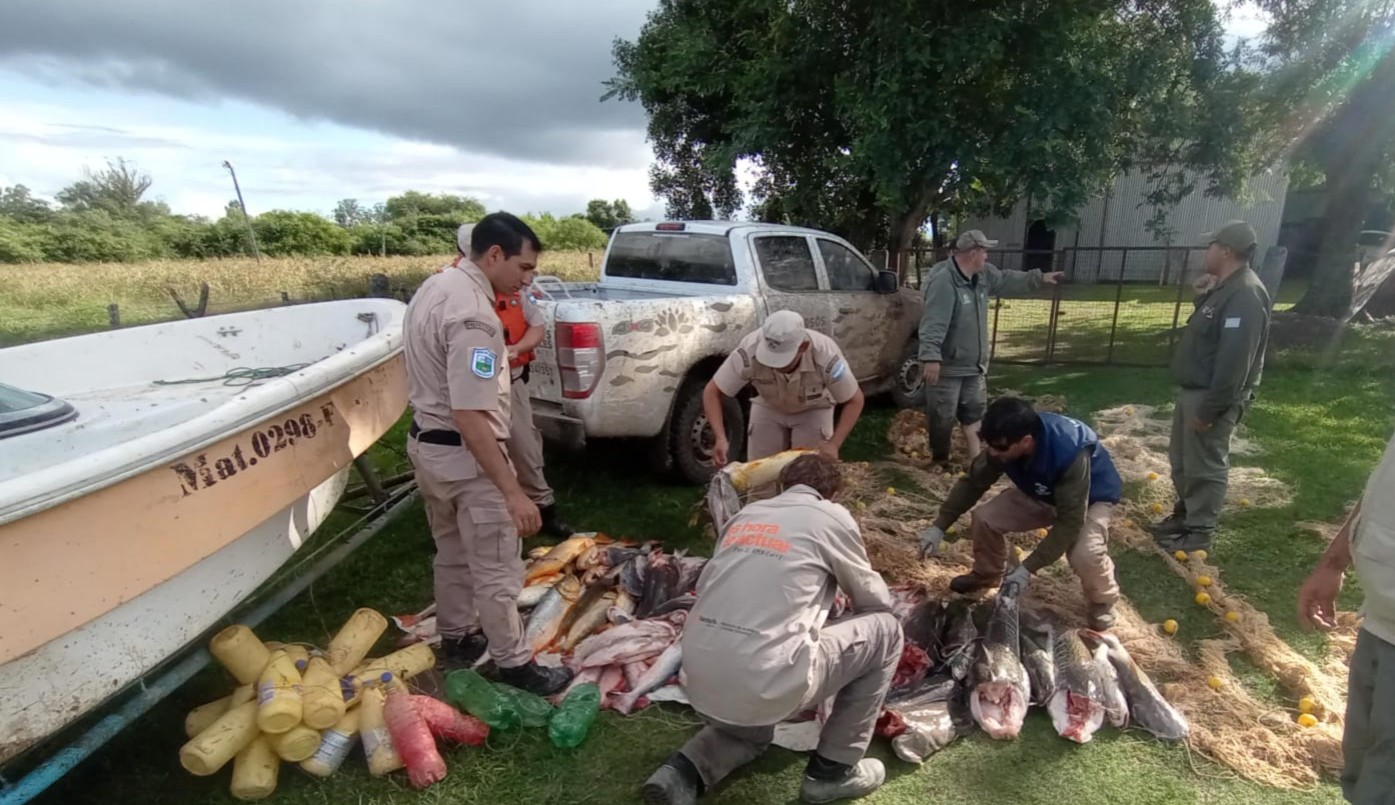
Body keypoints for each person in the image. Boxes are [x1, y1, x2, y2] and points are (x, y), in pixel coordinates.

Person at [642, 453, 901, 805]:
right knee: (887, 631)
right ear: (833, 494)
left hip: (699, 675)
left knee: (751, 731)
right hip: (765, 677)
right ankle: (833, 772)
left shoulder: (746, 516)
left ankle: (682, 771)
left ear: (781, 486)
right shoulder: (830, 515)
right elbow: (874, 600)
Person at [402, 212, 571, 695]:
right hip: (465, 455)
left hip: (427, 445)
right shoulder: (475, 317)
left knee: (452, 551)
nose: (528, 279)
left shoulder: (435, 286)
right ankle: (514, 663)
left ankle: (456, 635)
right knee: (498, 566)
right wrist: (513, 492)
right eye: (524, 267)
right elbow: (471, 414)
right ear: (494, 254)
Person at [918, 396, 1123, 630]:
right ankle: (987, 574)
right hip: (1041, 491)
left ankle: (1102, 600)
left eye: (999, 448)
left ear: (1026, 441)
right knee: (985, 518)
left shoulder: (1069, 451)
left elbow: (1070, 520)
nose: (993, 452)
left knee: (1085, 553)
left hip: (1090, 499)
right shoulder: (1004, 440)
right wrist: (939, 526)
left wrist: (1027, 568)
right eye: (989, 445)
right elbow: (973, 483)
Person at [1150, 221, 1271, 553]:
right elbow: (1211, 331)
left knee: (1204, 464)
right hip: (1195, 390)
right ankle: (1185, 515)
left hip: (1211, 394)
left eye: (1211, 246)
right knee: (1183, 460)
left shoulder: (1245, 292)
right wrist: (1202, 297)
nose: (1207, 252)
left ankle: (1199, 529)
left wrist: (1212, 408)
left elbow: (1235, 360)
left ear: (1226, 251)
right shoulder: (1225, 288)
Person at [1297, 428, 1395, 805]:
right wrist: (1334, 561)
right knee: (1360, 762)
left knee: (1384, 782)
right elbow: (1384, 481)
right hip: (1379, 621)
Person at [917, 230, 1063, 471]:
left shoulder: (983, 275)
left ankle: (977, 462)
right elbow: (933, 323)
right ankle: (940, 459)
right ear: (973, 253)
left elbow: (1006, 279)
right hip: (948, 367)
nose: (987, 255)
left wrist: (1039, 277)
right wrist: (931, 357)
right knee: (942, 417)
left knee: (975, 414)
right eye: (984, 251)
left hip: (974, 365)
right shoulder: (944, 281)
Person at [705, 310, 865, 468]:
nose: (774, 365)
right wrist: (720, 437)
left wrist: (834, 444)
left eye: (782, 360)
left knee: (808, 473)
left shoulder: (826, 356)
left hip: (813, 409)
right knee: (759, 473)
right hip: (768, 406)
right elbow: (712, 391)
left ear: (803, 347)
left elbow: (855, 400)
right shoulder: (748, 351)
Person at [494, 282, 575, 540]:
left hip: (512, 382)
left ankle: (545, 511)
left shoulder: (515, 294)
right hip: (475, 388)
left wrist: (516, 349)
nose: (527, 278)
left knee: (525, 447)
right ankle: (484, 519)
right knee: (478, 452)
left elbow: (537, 327)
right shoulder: (460, 294)